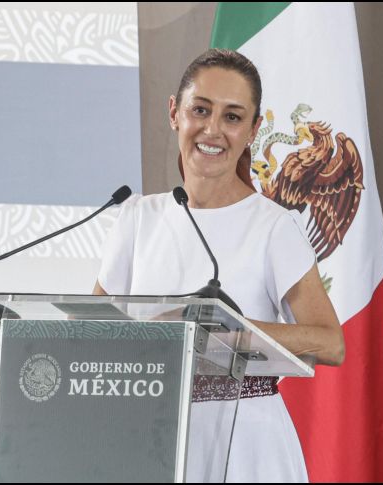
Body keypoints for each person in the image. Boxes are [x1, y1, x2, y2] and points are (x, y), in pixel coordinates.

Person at [94, 48, 344, 482]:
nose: (212, 130)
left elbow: (330, 343)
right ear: (175, 112)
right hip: (149, 432)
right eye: (200, 110)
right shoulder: (137, 216)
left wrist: (225, 333)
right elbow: (90, 334)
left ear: (254, 130)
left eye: (232, 117)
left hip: (249, 441)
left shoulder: (273, 226)